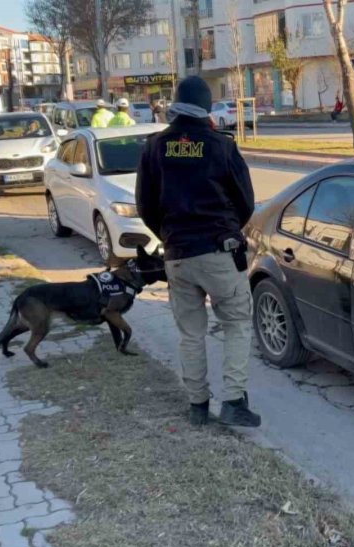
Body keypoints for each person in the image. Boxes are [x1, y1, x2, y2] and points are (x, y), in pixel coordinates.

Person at [135, 76, 260, 428]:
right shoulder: (222, 146)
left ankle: (197, 406)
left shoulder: (154, 146)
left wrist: (170, 235)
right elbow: (245, 202)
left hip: (177, 254)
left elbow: (145, 204)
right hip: (219, 251)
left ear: (175, 106)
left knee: (191, 333)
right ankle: (233, 401)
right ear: (207, 109)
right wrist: (227, 229)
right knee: (236, 323)